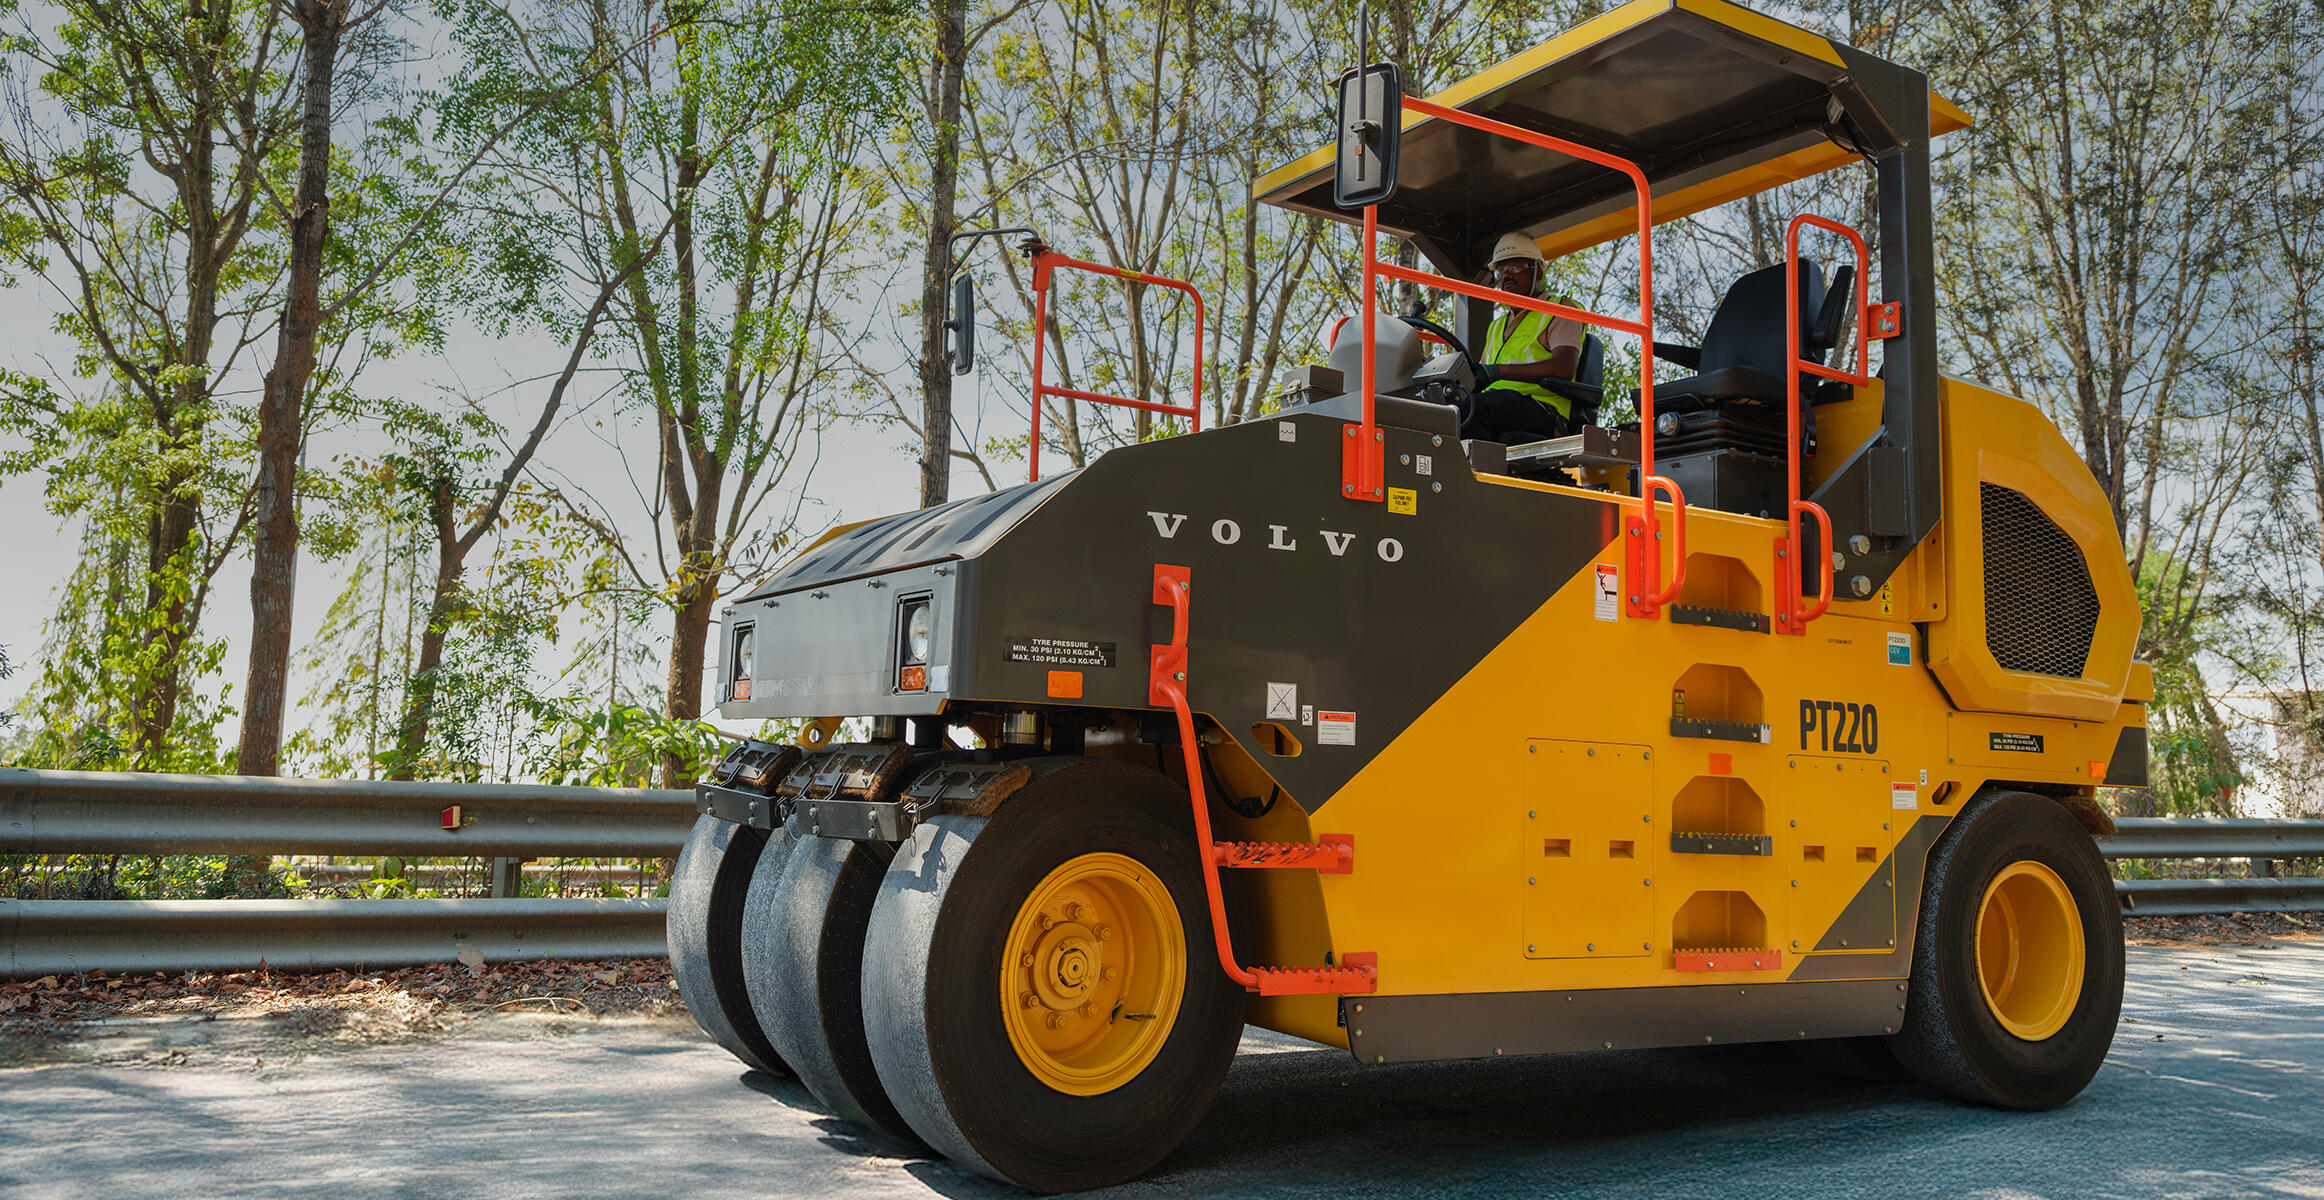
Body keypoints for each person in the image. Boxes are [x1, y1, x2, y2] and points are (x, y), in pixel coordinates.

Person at [1466, 232, 1587, 443]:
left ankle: (1475, 472)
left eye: (1515, 268)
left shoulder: (1560, 309)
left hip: (1541, 408)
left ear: (1538, 272)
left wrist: (1499, 371)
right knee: (1447, 408)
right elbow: (1481, 376)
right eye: (1500, 270)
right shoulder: (1495, 326)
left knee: (1471, 409)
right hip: (1501, 404)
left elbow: (1565, 367)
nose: (1506, 276)